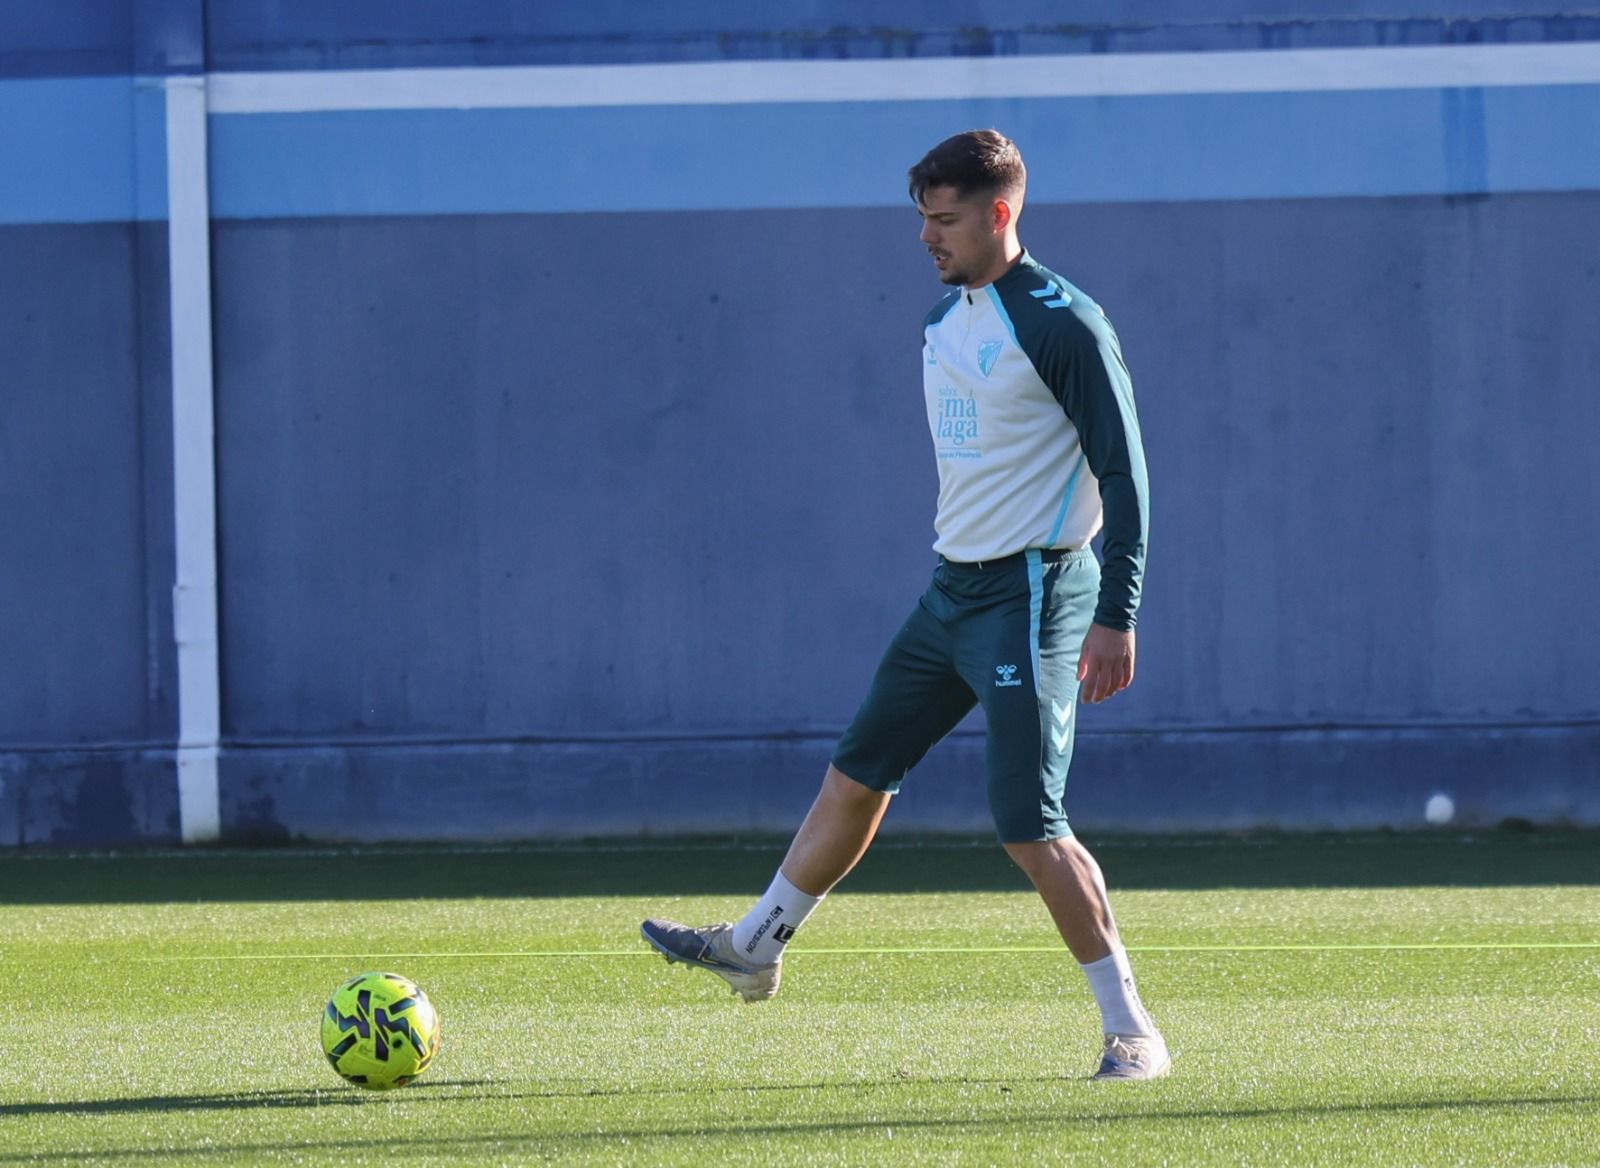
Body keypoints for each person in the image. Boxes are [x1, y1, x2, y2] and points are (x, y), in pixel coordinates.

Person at [641, 129, 1168, 1081]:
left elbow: (1126, 477)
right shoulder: (941, 322)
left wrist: (1117, 613)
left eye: (946, 220)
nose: (927, 237)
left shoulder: (1065, 325)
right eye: (923, 219)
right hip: (952, 591)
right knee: (856, 777)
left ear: (1000, 213)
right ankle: (755, 946)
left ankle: (1133, 1030)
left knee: (1031, 825)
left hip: (1035, 594)